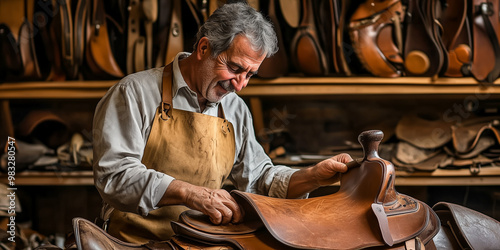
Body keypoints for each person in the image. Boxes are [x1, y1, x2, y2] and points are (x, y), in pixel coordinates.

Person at [92, 2, 353, 244]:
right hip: (132, 242)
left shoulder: (234, 108)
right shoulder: (134, 93)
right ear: (204, 48)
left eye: (250, 75)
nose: (240, 85)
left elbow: (260, 179)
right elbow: (115, 176)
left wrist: (311, 177)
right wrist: (192, 194)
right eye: (235, 68)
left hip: (200, 243)